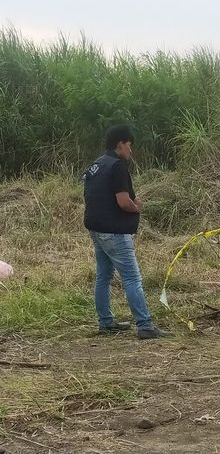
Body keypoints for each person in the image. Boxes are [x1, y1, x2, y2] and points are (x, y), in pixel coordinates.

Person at [82, 125, 168, 339]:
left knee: (103, 276)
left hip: (96, 228)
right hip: (114, 231)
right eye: (129, 145)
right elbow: (122, 202)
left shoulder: (96, 165)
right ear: (120, 144)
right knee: (131, 278)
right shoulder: (118, 166)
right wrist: (137, 206)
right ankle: (145, 325)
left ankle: (106, 322)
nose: (131, 150)